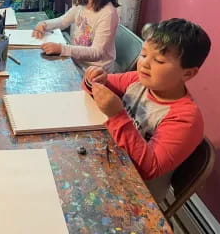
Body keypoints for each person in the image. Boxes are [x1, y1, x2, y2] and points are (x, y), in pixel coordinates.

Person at [83, 18, 211, 201]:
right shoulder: (137, 80)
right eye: (143, 54)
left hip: (134, 195)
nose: (145, 64)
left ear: (188, 73)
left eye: (159, 60)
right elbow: (95, 88)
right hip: (107, 163)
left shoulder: (186, 119)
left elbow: (147, 169)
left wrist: (117, 115)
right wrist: (93, 79)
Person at [32, 0, 120, 72]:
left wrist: (62, 49)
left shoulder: (108, 13)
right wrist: (44, 24)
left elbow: (97, 52)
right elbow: (63, 21)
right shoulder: (82, 4)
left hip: (96, 73)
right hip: (77, 62)